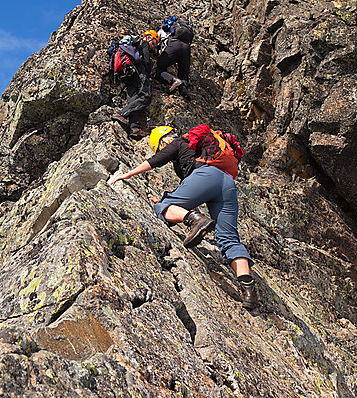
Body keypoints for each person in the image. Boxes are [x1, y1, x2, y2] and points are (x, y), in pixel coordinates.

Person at [108, 125, 258, 308]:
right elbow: (189, 190)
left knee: (162, 207)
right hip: (227, 181)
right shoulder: (198, 150)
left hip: (206, 176)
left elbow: (155, 161)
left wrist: (127, 174)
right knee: (229, 238)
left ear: (162, 142)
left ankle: (195, 220)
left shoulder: (178, 143)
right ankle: (249, 290)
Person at [111, 30, 159, 139]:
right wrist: (150, 72)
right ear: (148, 37)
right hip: (139, 73)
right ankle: (122, 114)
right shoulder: (144, 43)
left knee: (133, 99)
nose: (153, 46)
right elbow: (146, 61)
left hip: (127, 76)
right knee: (146, 97)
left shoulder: (132, 46)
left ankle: (134, 128)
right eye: (154, 43)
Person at [154, 24, 191, 97]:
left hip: (174, 45)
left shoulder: (161, 30)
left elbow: (156, 41)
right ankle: (184, 88)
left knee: (156, 70)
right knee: (183, 75)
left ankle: (174, 80)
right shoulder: (185, 32)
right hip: (187, 48)